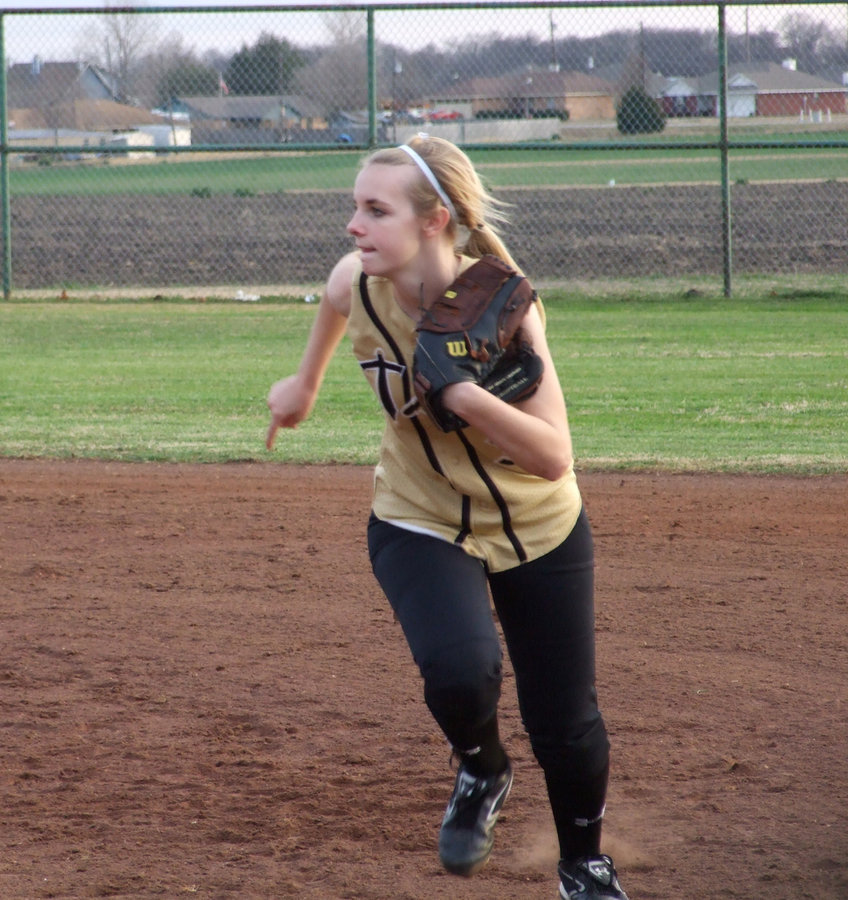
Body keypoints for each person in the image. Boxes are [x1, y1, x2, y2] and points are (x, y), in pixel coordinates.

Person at [265, 135, 629, 899]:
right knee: (460, 670)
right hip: (417, 514)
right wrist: (302, 389)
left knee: (564, 720)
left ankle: (584, 864)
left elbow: (555, 455)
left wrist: (461, 391)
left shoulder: (505, 308)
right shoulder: (359, 283)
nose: (353, 226)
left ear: (433, 222)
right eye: (354, 207)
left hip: (538, 527)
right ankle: (482, 767)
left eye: (374, 209)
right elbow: (335, 307)